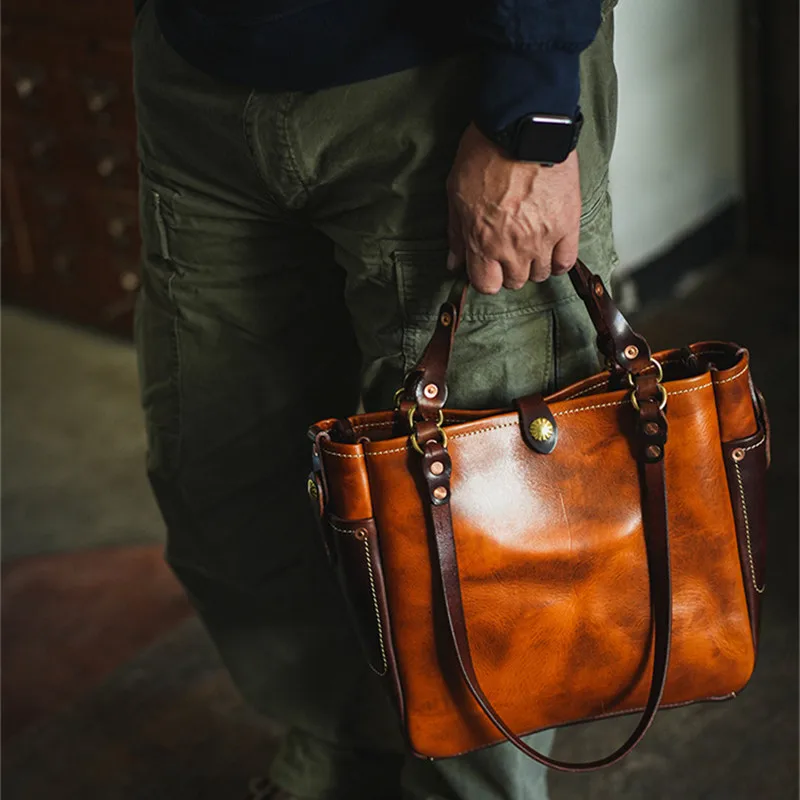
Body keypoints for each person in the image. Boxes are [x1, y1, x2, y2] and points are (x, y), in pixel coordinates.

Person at [132, 0, 619, 797]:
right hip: (202, 71)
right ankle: (341, 750)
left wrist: (528, 105)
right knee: (230, 472)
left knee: (488, 531)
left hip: (445, 74)